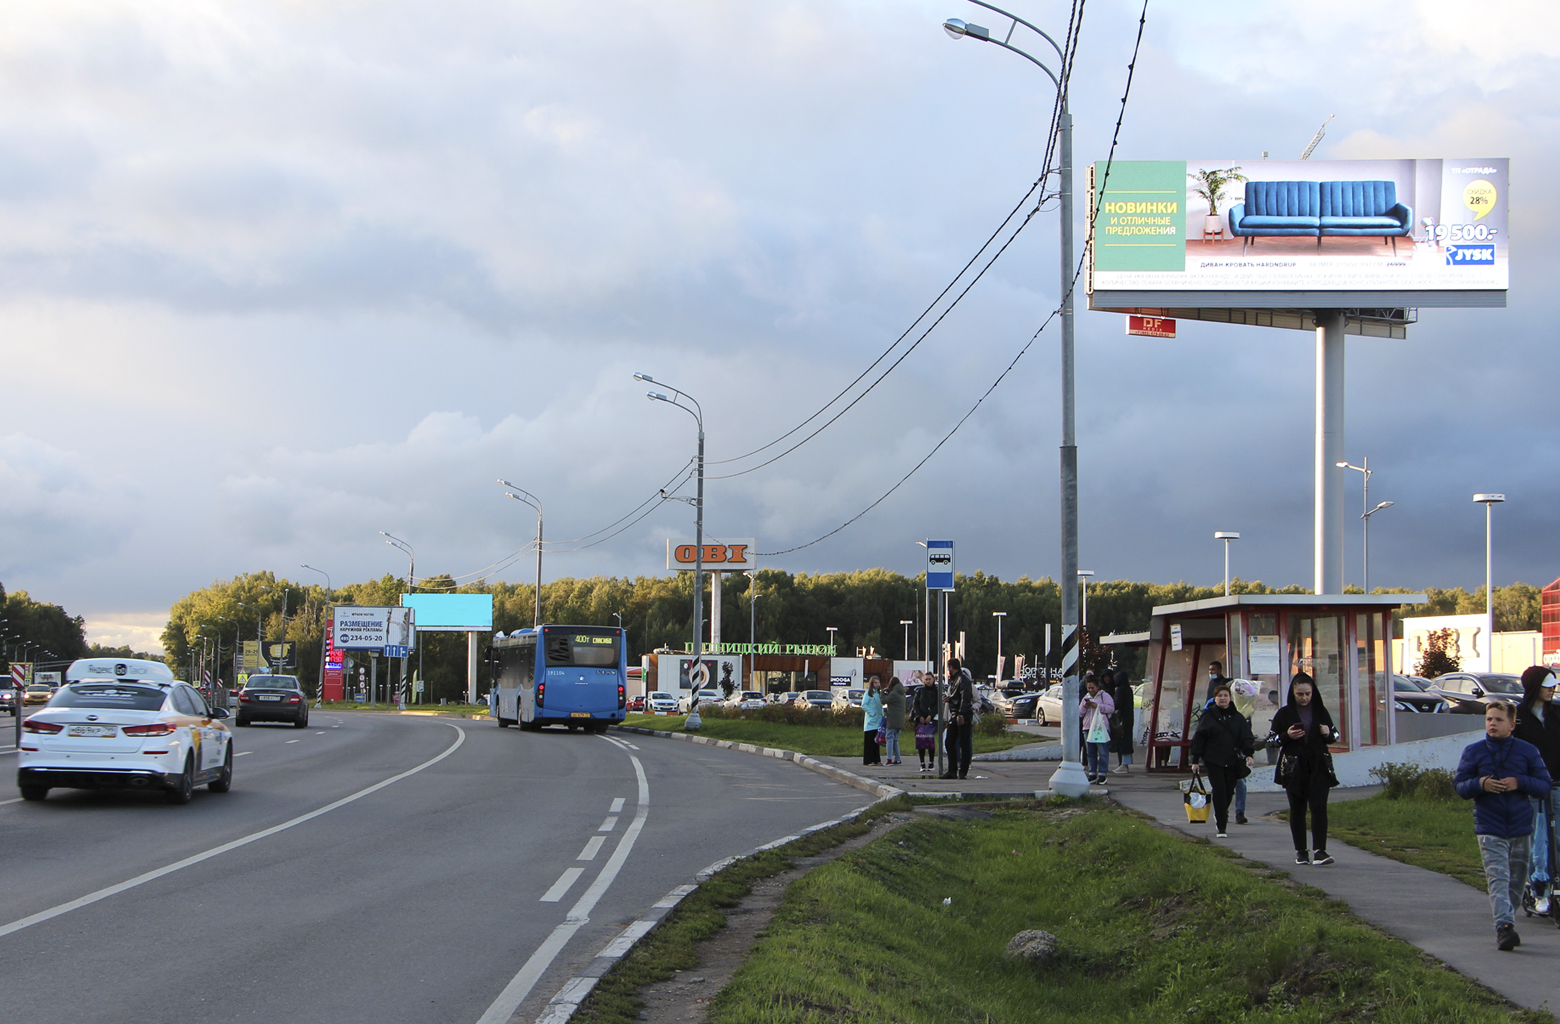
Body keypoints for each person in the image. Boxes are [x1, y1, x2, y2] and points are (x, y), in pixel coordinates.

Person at [1456, 700, 1553, 951]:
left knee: (1517, 883)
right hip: (1489, 826)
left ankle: (1506, 917)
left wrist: (1519, 782)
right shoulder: (1474, 751)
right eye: (1489, 719)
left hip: (1521, 827)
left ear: (1511, 724)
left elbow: (1544, 785)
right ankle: (1505, 928)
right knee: (1497, 877)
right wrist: (1481, 784)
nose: (1492, 724)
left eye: (1498, 720)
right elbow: (1460, 786)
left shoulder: (1527, 751)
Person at [1269, 672, 1337, 864]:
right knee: (1297, 809)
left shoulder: (1320, 711)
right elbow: (1271, 740)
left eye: (1308, 693)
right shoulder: (1284, 713)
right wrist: (1287, 735)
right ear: (1293, 693)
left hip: (1318, 765)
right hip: (1294, 767)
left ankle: (1320, 850)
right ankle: (1301, 851)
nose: (1305, 698)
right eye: (1300, 694)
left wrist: (1328, 733)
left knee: (1319, 806)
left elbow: (1335, 734)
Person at [1514, 665, 1560, 927]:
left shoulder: (1557, 712)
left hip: (1556, 783)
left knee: (1557, 837)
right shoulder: (1518, 716)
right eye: (1546, 684)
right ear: (1533, 686)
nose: (1551, 689)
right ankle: (1538, 888)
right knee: (1535, 839)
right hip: (1530, 786)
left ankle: (1556, 886)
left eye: (1553, 685)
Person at [1189, 681, 1254, 837]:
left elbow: (1245, 737)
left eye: (1226, 696)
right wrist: (1195, 760)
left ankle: (1221, 811)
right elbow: (1199, 738)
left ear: (1230, 698)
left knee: (1229, 791)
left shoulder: (1238, 718)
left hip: (1232, 760)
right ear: (1215, 698)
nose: (1223, 699)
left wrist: (1249, 754)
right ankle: (1222, 825)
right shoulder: (1208, 716)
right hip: (1213, 760)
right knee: (1219, 790)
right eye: (1220, 696)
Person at [941, 658, 975, 780]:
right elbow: (957, 697)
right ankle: (952, 770)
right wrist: (949, 699)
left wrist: (961, 714)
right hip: (954, 714)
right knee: (949, 742)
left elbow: (965, 698)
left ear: (951, 667)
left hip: (962, 716)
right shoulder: (955, 679)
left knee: (964, 744)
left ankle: (962, 771)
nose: (947, 670)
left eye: (948, 667)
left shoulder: (963, 679)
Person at [1079, 673, 1116, 784]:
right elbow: (1080, 713)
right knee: (1090, 751)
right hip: (1088, 727)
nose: (1090, 690)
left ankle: (1102, 774)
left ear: (1097, 687)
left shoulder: (1104, 696)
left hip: (1101, 727)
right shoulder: (1086, 697)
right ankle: (1092, 773)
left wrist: (1098, 706)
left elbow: (1111, 708)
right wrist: (1085, 707)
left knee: (1102, 751)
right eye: (1088, 688)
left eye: (1092, 688)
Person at [913, 672, 940, 773]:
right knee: (921, 741)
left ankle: (931, 762)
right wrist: (919, 715)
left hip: (931, 719)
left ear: (933, 680)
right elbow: (915, 704)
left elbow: (938, 705)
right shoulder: (920, 691)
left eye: (929, 679)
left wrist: (930, 715)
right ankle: (922, 763)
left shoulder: (937, 691)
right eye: (926, 679)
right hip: (920, 720)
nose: (928, 681)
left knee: (930, 741)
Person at [1109, 668, 1135, 775]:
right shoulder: (1128, 689)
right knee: (1127, 740)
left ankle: (1123, 764)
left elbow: (1118, 703)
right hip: (1129, 718)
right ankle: (1125, 764)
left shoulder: (1120, 690)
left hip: (1121, 718)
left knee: (1122, 740)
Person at [882, 674, 906, 766]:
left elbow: (884, 700)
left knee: (889, 738)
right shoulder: (902, 692)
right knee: (895, 739)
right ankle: (898, 759)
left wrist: (882, 692)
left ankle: (889, 759)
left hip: (893, 719)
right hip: (900, 720)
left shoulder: (894, 693)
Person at [861, 676, 884, 766]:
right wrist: (872, 713)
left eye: (878, 682)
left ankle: (876, 760)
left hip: (878, 721)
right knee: (869, 742)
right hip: (870, 722)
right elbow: (864, 705)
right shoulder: (868, 693)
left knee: (876, 742)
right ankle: (869, 760)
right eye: (875, 683)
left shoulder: (878, 694)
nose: (877, 684)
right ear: (871, 684)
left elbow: (880, 706)